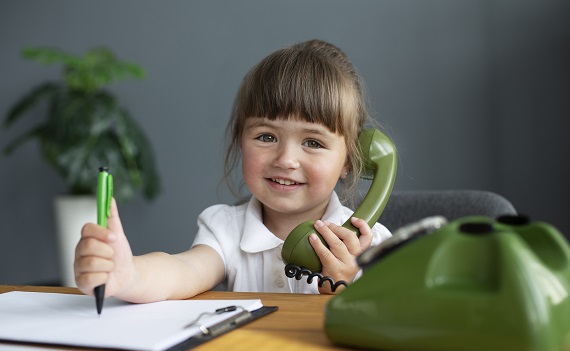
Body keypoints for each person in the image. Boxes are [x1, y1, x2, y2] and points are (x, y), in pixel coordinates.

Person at [74, 39, 392, 302]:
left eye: (313, 142)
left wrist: (345, 283)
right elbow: (182, 270)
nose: (286, 159)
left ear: (350, 160)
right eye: (266, 137)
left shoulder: (373, 244)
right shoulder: (226, 228)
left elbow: (390, 325)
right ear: (240, 141)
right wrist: (127, 274)